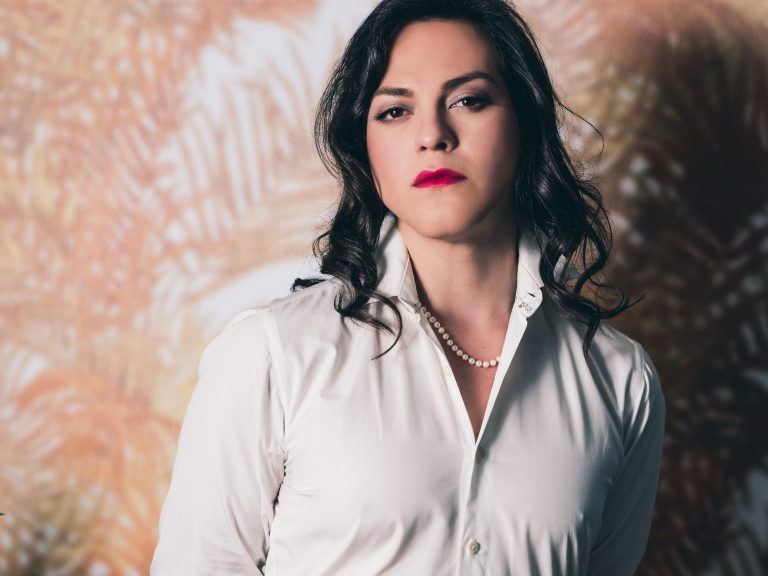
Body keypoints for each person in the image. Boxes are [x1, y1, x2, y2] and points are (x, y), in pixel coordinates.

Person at [151, 0, 666, 574]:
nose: (433, 135)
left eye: (469, 100)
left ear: (524, 121)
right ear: (364, 147)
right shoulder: (273, 355)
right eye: (395, 111)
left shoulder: (621, 381)